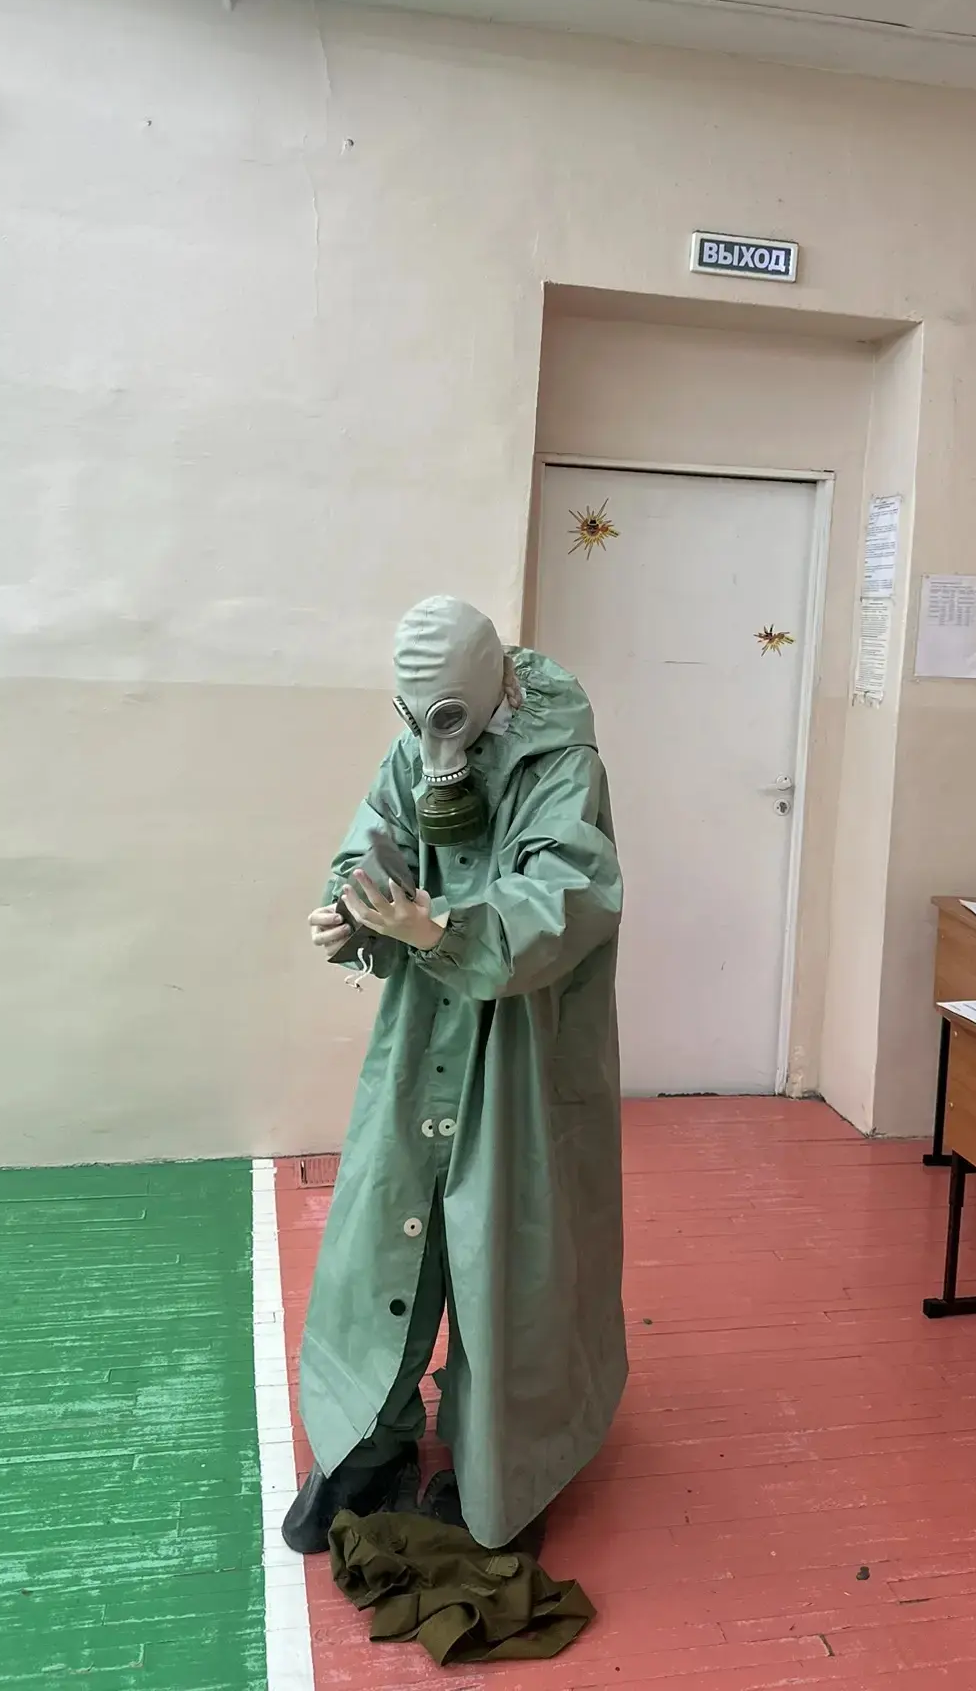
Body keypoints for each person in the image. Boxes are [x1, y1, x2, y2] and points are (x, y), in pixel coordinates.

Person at [282, 595, 626, 1557]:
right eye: (418, 720)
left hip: (523, 1042)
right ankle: (364, 1438)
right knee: (383, 1229)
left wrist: (444, 929)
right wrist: (352, 912)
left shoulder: (560, 762)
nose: (434, 746)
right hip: (422, 1030)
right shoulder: (413, 752)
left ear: (495, 687)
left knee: (512, 1249)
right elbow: (376, 835)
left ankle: (509, 1467)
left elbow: (566, 895)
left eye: (448, 721)